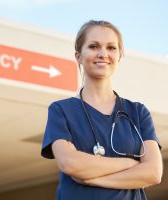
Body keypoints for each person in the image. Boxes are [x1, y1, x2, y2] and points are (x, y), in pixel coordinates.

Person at [41, 20, 163, 200]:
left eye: (111, 48)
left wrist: (91, 178)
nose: (103, 54)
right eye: (93, 46)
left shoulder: (137, 112)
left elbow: (153, 173)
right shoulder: (61, 110)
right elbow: (70, 164)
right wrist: (130, 163)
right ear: (78, 56)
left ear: (119, 56)